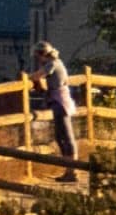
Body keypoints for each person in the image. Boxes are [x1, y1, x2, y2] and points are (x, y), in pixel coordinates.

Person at [32, 43, 80, 182]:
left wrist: (28, 77)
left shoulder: (51, 64)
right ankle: (69, 169)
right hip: (58, 101)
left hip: (60, 102)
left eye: (37, 55)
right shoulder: (55, 63)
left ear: (42, 54)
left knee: (66, 135)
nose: (37, 59)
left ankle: (72, 170)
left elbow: (37, 76)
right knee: (60, 136)